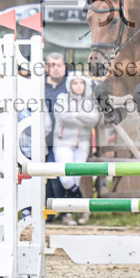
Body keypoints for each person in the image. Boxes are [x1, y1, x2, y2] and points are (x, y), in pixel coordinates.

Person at [53, 75, 100, 225]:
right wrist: (82, 117)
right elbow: (65, 117)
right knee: (66, 179)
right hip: (63, 143)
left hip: (82, 144)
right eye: (75, 83)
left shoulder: (90, 102)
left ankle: (68, 213)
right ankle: (84, 207)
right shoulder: (62, 99)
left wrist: (76, 115)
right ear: (70, 84)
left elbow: (94, 119)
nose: (79, 86)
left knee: (76, 180)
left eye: (81, 83)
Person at [43, 53, 69, 221]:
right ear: (46, 68)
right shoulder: (39, 87)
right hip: (41, 138)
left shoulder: (70, 85)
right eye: (52, 65)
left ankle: (63, 210)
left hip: (64, 139)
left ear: (64, 67)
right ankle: (48, 212)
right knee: (44, 175)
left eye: (59, 65)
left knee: (59, 173)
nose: (56, 68)